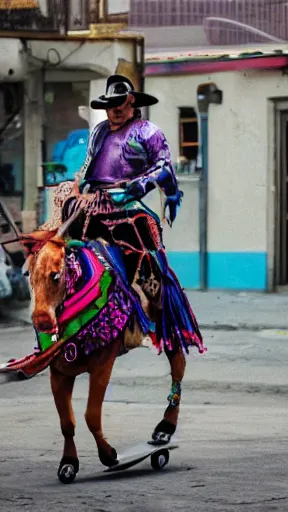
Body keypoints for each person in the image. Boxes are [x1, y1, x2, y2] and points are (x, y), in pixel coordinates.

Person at [44, 74, 205, 443]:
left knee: (142, 245)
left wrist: (135, 186)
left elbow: (166, 168)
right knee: (56, 249)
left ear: (133, 104)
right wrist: (78, 186)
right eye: (110, 107)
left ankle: (149, 303)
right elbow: (87, 166)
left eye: (120, 106)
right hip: (93, 203)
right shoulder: (100, 132)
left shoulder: (149, 131)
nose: (114, 112)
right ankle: (58, 312)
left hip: (127, 204)